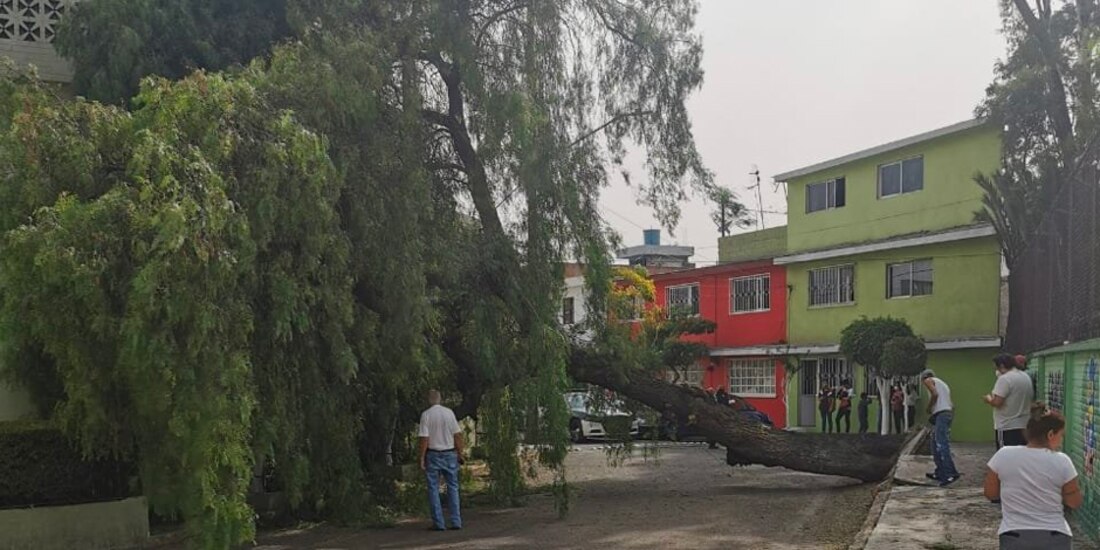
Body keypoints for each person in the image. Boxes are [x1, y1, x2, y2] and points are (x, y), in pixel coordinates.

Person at [984, 403, 1083, 549]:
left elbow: (990, 494)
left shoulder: (1003, 455)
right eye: (1061, 435)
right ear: (1050, 434)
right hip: (1054, 535)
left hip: (1014, 535)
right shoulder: (1062, 461)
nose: (1061, 440)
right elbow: (1073, 502)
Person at [418, 390, 464, 531]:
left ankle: (439, 523)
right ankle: (456, 521)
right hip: (450, 453)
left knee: (433, 488)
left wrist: (421, 457)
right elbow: (457, 435)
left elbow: (424, 438)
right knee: (453, 487)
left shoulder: (426, 415)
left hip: (433, 455)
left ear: (429, 400)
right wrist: (460, 453)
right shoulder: (449, 413)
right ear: (440, 399)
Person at [985, 353, 1035, 449]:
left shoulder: (1005, 379)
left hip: (1007, 425)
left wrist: (988, 399)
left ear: (1002, 366)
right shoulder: (1025, 377)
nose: (996, 370)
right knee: (1020, 456)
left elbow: (997, 402)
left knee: (1005, 458)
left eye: (996, 367)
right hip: (1024, 425)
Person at [922, 369, 960, 487]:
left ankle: (950, 473)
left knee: (941, 444)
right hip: (945, 414)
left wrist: (929, 408)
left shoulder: (928, 380)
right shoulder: (943, 385)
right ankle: (940, 472)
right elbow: (952, 405)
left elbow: (934, 394)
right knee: (934, 444)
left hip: (941, 415)